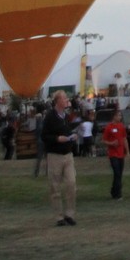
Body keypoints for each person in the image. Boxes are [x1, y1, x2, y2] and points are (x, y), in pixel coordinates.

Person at [42, 91, 79, 226]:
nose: (66, 100)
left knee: (71, 183)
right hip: (55, 155)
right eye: (64, 98)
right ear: (57, 101)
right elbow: (44, 136)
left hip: (68, 154)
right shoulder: (50, 117)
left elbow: (69, 130)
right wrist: (57, 139)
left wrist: (73, 136)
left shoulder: (66, 117)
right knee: (55, 186)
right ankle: (59, 217)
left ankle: (69, 213)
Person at [103, 107, 128, 200]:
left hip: (121, 153)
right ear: (114, 116)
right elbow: (104, 140)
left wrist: (127, 151)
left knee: (119, 174)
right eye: (118, 115)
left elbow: (124, 138)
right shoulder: (109, 127)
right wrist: (111, 143)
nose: (120, 117)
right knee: (117, 172)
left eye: (120, 115)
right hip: (113, 154)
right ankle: (118, 194)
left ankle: (114, 190)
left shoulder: (121, 126)